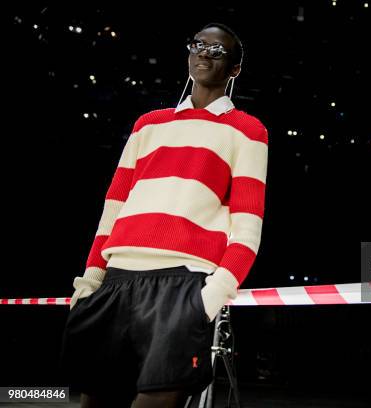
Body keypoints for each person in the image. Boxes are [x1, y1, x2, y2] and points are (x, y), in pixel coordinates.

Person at [60, 22, 269, 408]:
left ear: (236, 69)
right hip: (115, 281)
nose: (205, 53)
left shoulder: (247, 130)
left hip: (182, 284)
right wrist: (90, 282)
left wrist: (211, 296)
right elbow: (114, 207)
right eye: (198, 44)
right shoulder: (148, 124)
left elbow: (248, 224)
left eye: (218, 50)